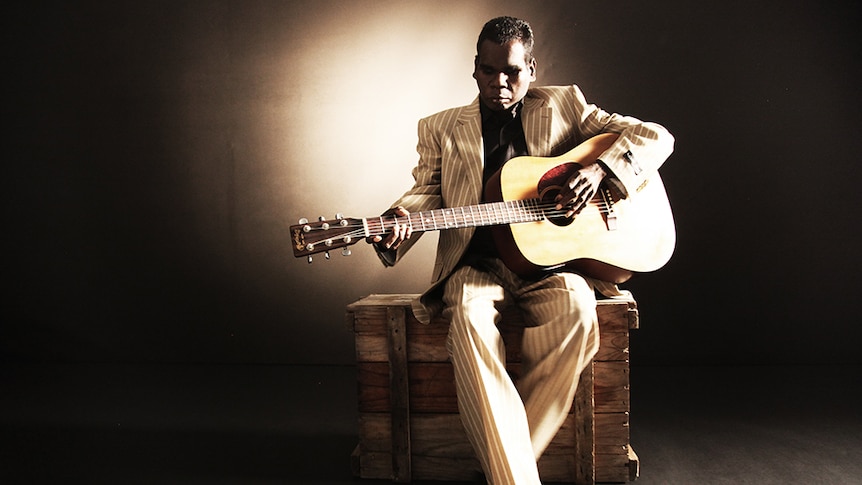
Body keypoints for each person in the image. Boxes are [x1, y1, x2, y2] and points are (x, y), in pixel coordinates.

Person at [368, 16, 674, 485]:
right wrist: (397, 221)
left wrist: (602, 173)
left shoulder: (564, 104)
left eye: (511, 71)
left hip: (551, 261)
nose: (499, 83)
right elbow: (426, 192)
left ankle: (500, 469)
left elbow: (655, 136)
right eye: (488, 71)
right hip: (477, 263)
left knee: (578, 314)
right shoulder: (441, 128)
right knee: (468, 319)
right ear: (475, 70)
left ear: (531, 68)